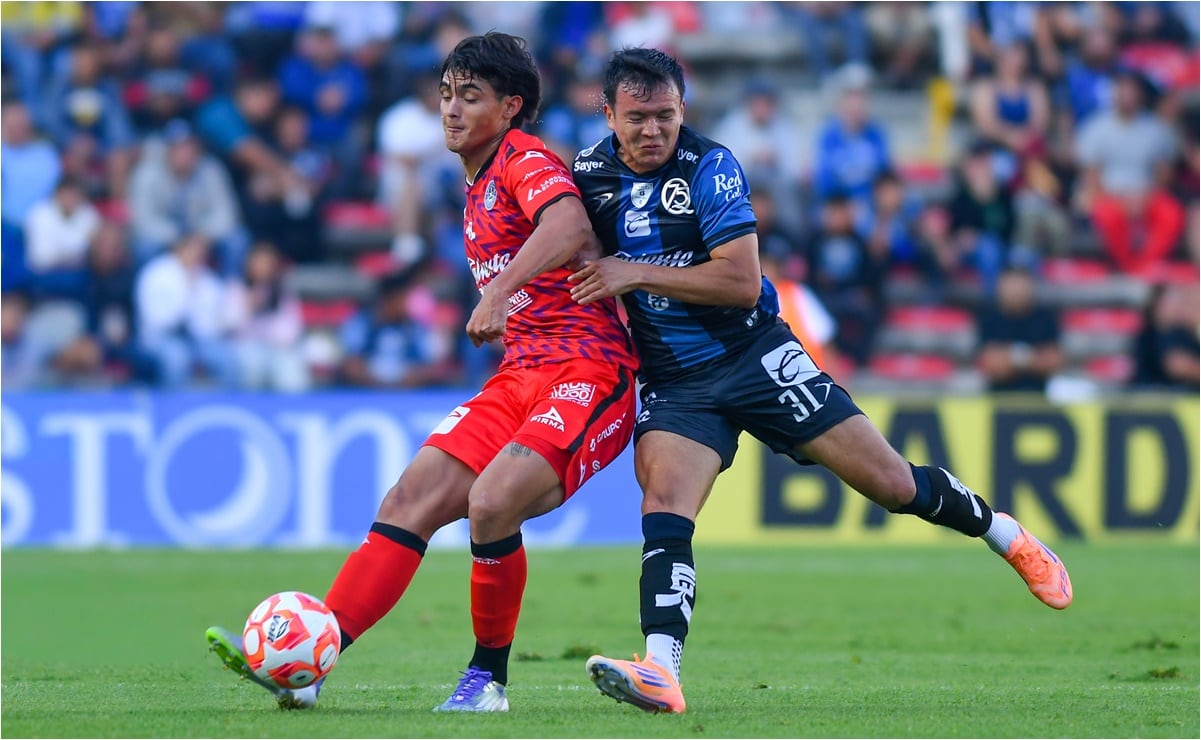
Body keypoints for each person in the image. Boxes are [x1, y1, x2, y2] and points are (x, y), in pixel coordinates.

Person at [568, 47, 1073, 715]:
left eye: (664, 115)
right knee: (663, 503)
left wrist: (633, 272)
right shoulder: (586, 175)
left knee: (893, 485)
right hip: (676, 381)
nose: (652, 130)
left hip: (755, 357)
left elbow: (738, 281)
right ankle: (660, 669)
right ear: (608, 115)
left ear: (682, 110)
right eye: (636, 118)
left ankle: (999, 531)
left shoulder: (710, 167)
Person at [204, 32, 639, 712]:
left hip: (587, 369)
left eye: (470, 96)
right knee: (408, 502)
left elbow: (568, 227)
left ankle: (486, 681)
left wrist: (498, 291)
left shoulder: (522, 157)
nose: (451, 110)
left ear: (510, 106)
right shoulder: (473, 182)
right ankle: (313, 662)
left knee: (490, 505)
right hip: (520, 374)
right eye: (444, 95)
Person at [975, 266, 1063, 393]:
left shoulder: (1045, 316)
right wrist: (1033, 359)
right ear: (1000, 286)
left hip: (1041, 400)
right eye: (1012, 284)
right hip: (998, 399)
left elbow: (1054, 361)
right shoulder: (989, 317)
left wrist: (1012, 358)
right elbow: (991, 365)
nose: (1017, 290)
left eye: (1021, 284)